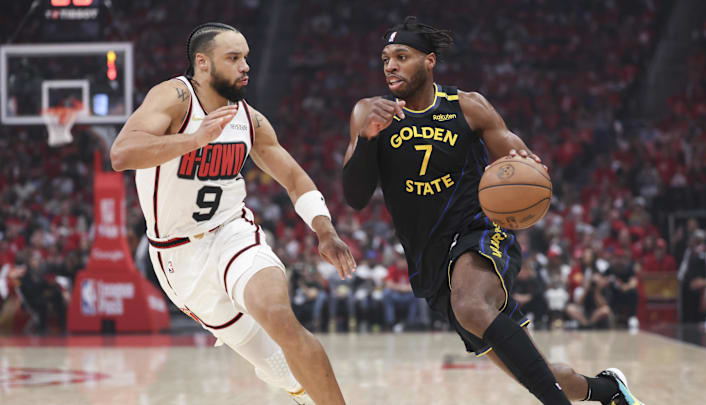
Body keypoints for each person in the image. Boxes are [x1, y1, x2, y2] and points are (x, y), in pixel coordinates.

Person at [342, 16, 644, 405]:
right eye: (385, 58)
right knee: (536, 372)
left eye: (402, 56)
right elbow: (355, 197)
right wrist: (367, 140)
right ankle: (607, 390)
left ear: (429, 61)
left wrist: (530, 165)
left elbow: (522, 159)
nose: (391, 66)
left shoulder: (468, 106)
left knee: (469, 304)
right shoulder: (369, 112)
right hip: (430, 261)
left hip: (479, 232)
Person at [110, 22, 355, 405]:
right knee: (277, 367)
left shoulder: (249, 119)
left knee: (279, 316)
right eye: (234, 58)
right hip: (177, 256)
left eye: (246, 58)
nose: (245, 66)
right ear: (203, 63)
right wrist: (194, 140)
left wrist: (324, 230)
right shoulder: (175, 97)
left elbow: (293, 177)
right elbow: (122, 153)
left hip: (233, 232)